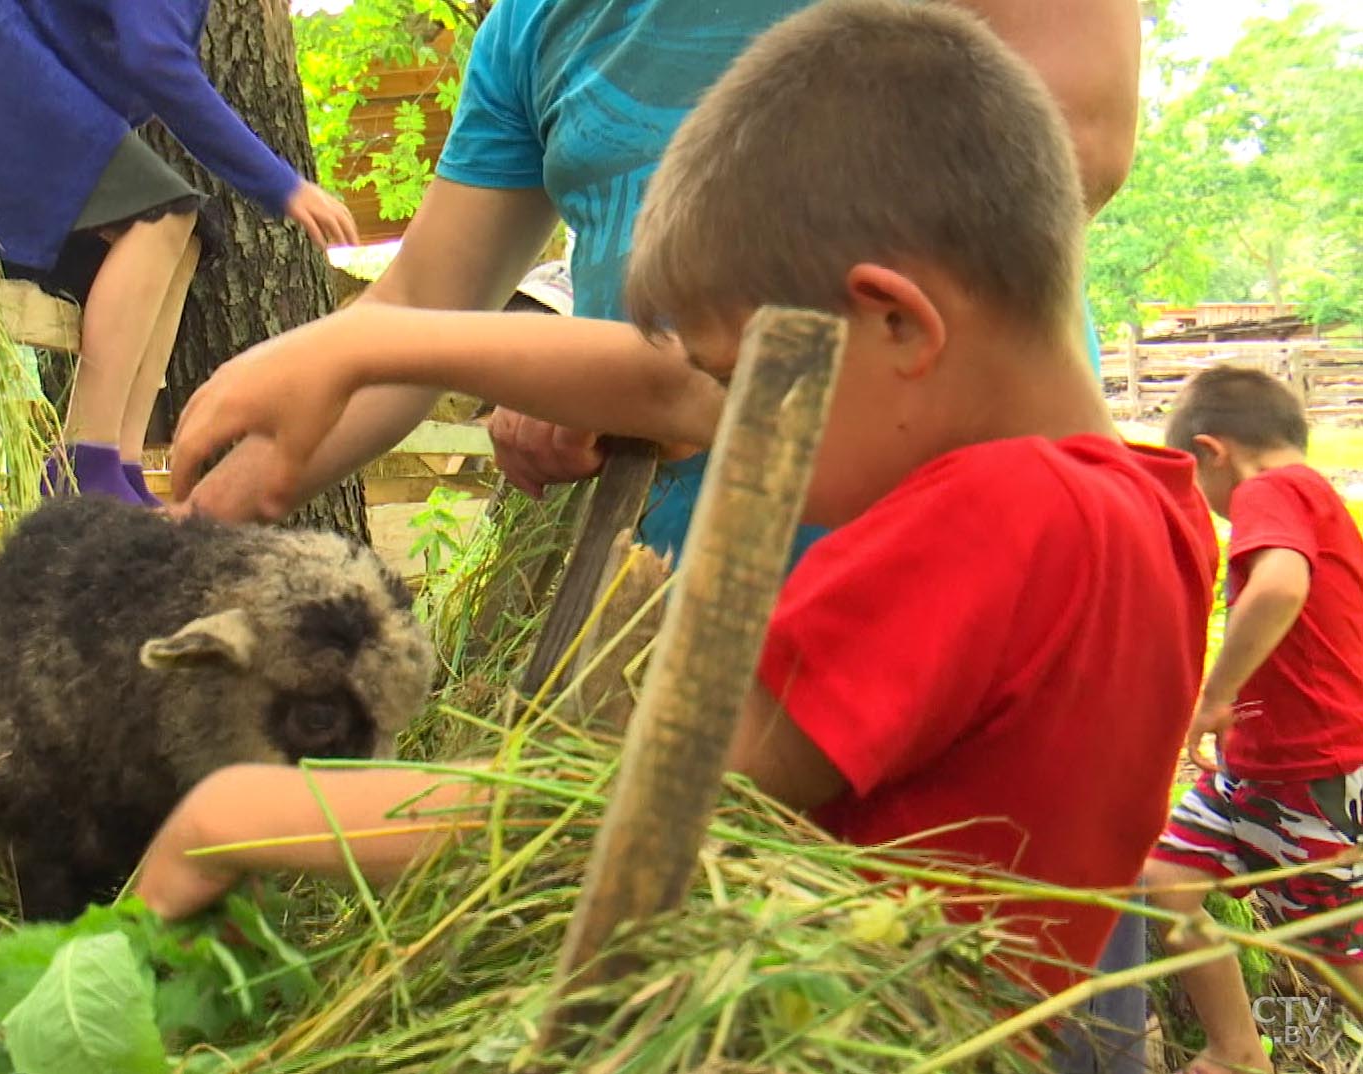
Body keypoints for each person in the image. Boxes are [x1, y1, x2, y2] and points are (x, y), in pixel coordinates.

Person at [145, 0, 1217, 1038]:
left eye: (738, 380)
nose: (709, 422)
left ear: (894, 320)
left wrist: (244, 813)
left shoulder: (982, 525)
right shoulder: (1145, 508)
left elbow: (634, 812)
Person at [174, 0, 1141, 559]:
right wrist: (203, 516)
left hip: (946, 567)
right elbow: (429, 295)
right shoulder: (537, 23)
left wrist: (565, 369)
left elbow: (1054, 168)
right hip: (667, 582)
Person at [0, 0, 358, 508]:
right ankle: (84, 461)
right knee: (161, 213)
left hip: (6, 52)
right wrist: (282, 185)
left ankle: (119, 463)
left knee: (184, 229)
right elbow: (155, 59)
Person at [1141, 368, 1363, 1074]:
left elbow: (1279, 585)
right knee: (1165, 881)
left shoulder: (1273, 490)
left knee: (1334, 950)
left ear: (1214, 452)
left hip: (1311, 770)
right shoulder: (1314, 500)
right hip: (1255, 771)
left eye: (1203, 492)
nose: (1214, 510)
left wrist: (1215, 695)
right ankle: (1238, 1050)